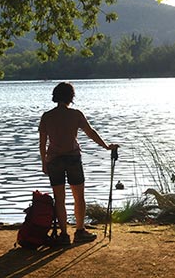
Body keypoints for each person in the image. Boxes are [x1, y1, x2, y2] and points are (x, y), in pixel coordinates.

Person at [39, 82, 118, 245]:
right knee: (78, 197)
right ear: (71, 97)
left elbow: (42, 143)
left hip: (54, 160)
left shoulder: (47, 116)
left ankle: (64, 234)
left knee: (59, 198)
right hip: (73, 158)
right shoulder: (76, 115)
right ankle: (80, 231)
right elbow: (91, 133)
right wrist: (106, 146)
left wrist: (43, 163)